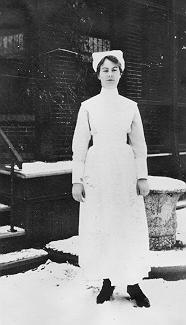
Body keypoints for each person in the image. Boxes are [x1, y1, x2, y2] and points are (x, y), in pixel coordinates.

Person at [72, 50, 150, 307]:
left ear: (121, 73)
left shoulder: (130, 107)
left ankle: (133, 284)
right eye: (104, 70)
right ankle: (107, 281)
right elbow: (80, 147)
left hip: (124, 172)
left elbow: (139, 146)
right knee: (103, 223)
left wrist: (142, 177)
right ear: (97, 74)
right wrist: (77, 180)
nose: (109, 74)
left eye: (114, 70)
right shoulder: (88, 107)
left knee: (126, 224)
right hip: (98, 172)